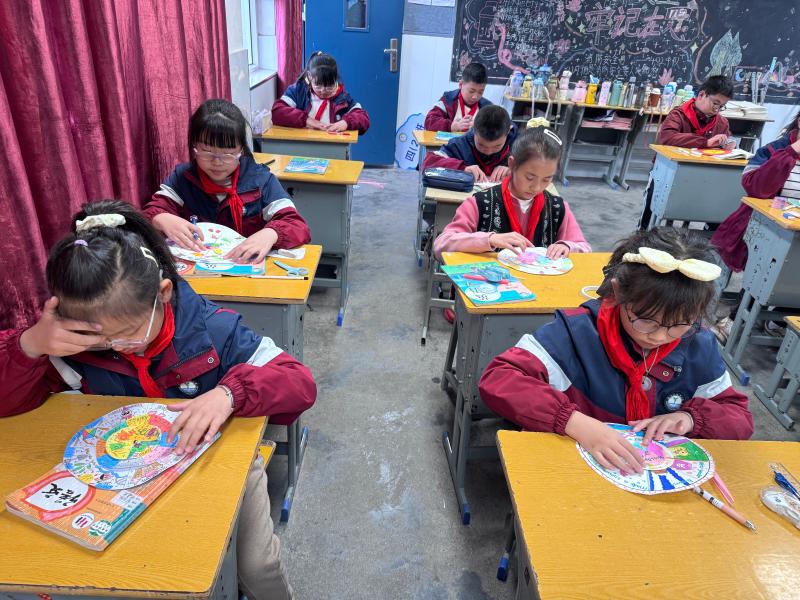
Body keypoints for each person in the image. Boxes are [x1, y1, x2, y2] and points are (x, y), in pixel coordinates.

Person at [0, 200, 314, 600]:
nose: (114, 346)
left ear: (163, 294)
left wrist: (228, 393)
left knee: (257, 565)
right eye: (97, 338)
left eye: (126, 334)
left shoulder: (212, 330)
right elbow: (8, 403)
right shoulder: (70, 345)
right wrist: (30, 346)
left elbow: (299, 383)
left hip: (215, 461)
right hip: (120, 474)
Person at [479, 227, 753, 474]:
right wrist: (574, 422)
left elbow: (739, 418)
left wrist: (689, 419)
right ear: (618, 292)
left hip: (647, 473)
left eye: (679, 324)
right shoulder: (576, 333)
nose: (660, 336)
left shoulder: (698, 343)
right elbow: (499, 378)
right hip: (574, 471)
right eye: (646, 320)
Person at [144, 99, 310, 263]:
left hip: (246, 269)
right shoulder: (183, 178)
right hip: (198, 271)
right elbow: (151, 211)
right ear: (194, 146)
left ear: (241, 150)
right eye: (207, 152)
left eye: (228, 154)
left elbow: (297, 225)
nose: (217, 162)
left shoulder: (261, 181)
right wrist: (160, 218)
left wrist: (271, 234)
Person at [433, 126, 590, 261]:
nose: (536, 187)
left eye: (547, 179)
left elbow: (584, 248)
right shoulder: (480, 203)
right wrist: (490, 239)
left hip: (540, 286)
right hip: (491, 285)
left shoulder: (557, 207)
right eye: (529, 177)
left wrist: (567, 246)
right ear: (512, 164)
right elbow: (441, 245)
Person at [710, 110, 800, 341]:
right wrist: (792, 153)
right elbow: (756, 188)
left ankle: (780, 318)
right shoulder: (776, 149)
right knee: (767, 268)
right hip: (766, 228)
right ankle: (735, 318)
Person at [639, 76, 736, 229]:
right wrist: (705, 142)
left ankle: (710, 235)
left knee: (718, 202)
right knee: (653, 202)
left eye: (722, 106)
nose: (717, 109)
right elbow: (668, 138)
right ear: (702, 94)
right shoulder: (678, 114)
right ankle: (644, 231)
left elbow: (724, 141)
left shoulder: (721, 122)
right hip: (667, 172)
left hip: (702, 175)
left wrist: (728, 144)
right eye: (715, 103)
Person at [271, 51, 370, 134]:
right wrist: (306, 120)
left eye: (329, 86)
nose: (323, 90)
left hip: (332, 145)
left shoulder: (342, 97)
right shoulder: (299, 91)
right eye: (318, 85)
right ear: (310, 76)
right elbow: (277, 111)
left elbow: (363, 118)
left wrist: (346, 123)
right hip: (302, 145)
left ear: (336, 79)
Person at [423, 105, 517, 183]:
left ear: (508, 131)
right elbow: (428, 163)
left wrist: (513, 171)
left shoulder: (518, 146)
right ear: (473, 129)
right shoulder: (460, 145)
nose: (488, 151)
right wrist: (462, 169)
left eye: (497, 146)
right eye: (481, 145)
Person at [425, 62, 492, 132]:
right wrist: (453, 126)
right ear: (460, 84)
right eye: (471, 91)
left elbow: (497, 128)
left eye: (480, 92)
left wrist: (480, 127)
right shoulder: (448, 100)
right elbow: (429, 121)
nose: (475, 97)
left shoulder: (487, 107)